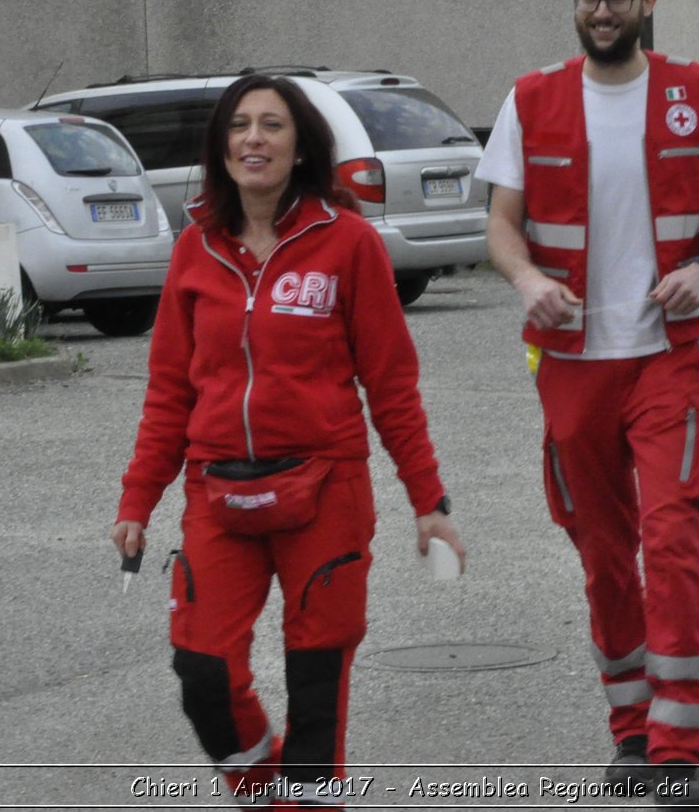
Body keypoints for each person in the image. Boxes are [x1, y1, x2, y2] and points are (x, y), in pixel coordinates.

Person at [110, 74, 464, 808]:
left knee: (315, 689)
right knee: (203, 672)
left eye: (272, 125)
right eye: (240, 125)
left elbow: (392, 386)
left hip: (326, 491)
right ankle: (268, 790)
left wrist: (427, 499)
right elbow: (170, 392)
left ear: (301, 145)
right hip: (218, 493)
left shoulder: (350, 244)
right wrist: (137, 498)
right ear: (221, 146)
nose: (253, 139)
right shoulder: (193, 253)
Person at [476, 0, 699, 808]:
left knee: (671, 537)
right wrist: (528, 282)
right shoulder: (532, 100)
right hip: (572, 365)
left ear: (648, 2)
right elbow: (502, 226)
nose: (603, 10)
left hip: (667, 359)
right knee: (603, 552)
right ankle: (631, 731)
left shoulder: (696, 93)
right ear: (575, 4)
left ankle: (680, 752)